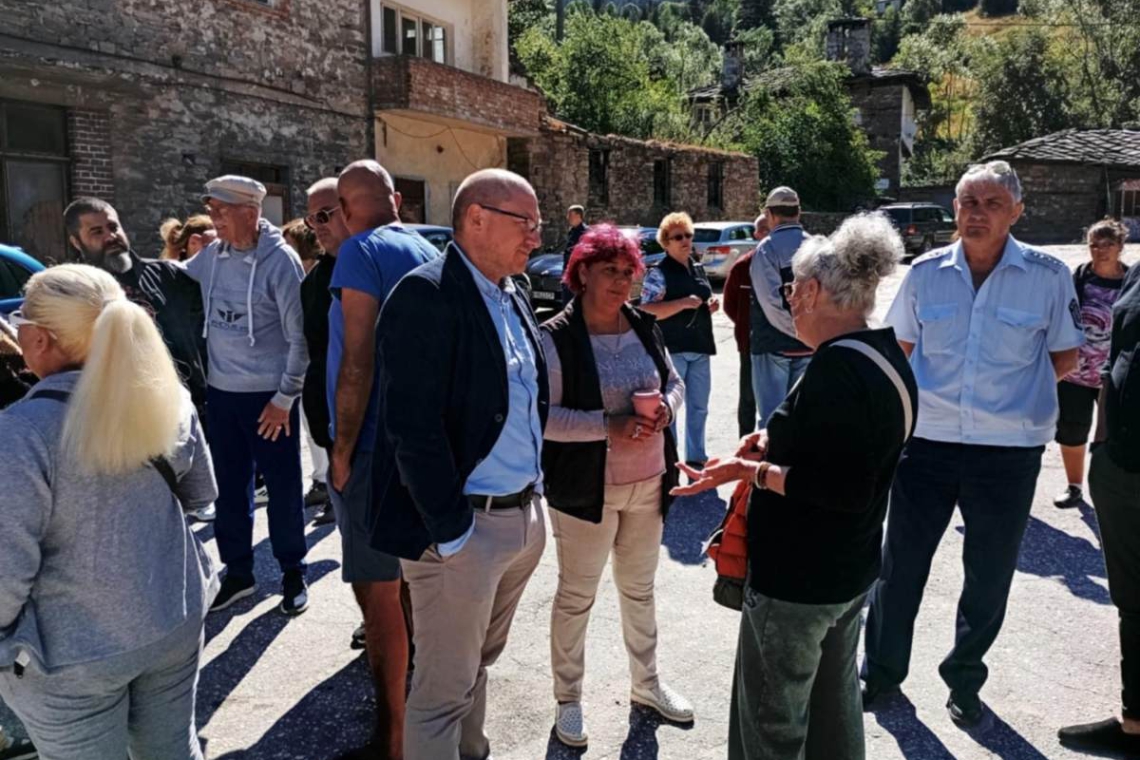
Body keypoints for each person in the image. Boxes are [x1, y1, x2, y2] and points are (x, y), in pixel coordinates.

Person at [673, 213, 916, 760]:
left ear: (810, 291)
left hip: (799, 581)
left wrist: (751, 472)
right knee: (835, 715)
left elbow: (842, 487)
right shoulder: (881, 353)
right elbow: (851, 446)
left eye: (790, 290)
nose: (787, 300)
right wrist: (771, 439)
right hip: (848, 573)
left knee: (772, 727)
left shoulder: (835, 370)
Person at [862, 161, 1084, 727]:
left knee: (988, 573)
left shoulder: (1048, 276)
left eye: (991, 203)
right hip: (927, 444)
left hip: (1007, 452)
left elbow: (1065, 355)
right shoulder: (926, 273)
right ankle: (881, 671)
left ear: (1016, 212)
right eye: (968, 203)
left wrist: (1011, 401)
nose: (977, 213)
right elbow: (900, 349)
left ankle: (964, 678)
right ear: (955, 210)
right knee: (899, 565)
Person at [0, 264, 218, 760]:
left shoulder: (21, 433)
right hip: (172, 616)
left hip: (69, 655)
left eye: (20, 320)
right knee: (174, 751)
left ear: (41, 339)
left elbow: (4, 573)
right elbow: (201, 494)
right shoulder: (169, 397)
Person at [375, 168, 547, 760]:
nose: (536, 237)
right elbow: (411, 427)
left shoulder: (511, 291)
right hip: (464, 530)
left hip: (519, 517)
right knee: (442, 692)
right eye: (526, 223)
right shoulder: (426, 295)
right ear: (476, 218)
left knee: (476, 667)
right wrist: (453, 534)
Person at [541, 225, 691, 748]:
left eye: (629, 272)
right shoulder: (556, 337)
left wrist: (667, 408)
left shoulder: (643, 325)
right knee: (576, 596)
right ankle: (568, 699)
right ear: (581, 273)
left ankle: (646, 684)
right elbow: (544, 418)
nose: (622, 282)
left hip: (649, 483)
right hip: (587, 490)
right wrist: (609, 426)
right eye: (610, 271)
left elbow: (675, 382)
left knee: (640, 590)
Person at [326, 159, 439, 759]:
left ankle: (393, 740)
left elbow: (357, 359)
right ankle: (427, 723)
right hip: (421, 446)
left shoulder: (358, 252)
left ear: (346, 210)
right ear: (396, 199)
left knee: (379, 596)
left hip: (372, 448)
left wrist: (341, 451)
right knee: (418, 588)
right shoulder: (429, 249)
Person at [183, 175, 311, 615]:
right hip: (223, 395)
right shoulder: (213, 255)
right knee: (229, 489)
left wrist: (284, 399)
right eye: (212, 209)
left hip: (269, 399)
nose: (213, 218)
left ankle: (293, 571)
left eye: (222, 210)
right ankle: (238, 573)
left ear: (251, 212)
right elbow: (176, 280)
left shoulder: (281, 262)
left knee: (283, 487)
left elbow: (300, 339)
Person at [1058, 245, 1140, 755]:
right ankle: (1136, 724)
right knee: (1134, 602)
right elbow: (1119, 357)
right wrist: (1103, 444)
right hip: (1123, 465)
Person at [64, 199, 209, 430]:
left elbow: (208, 330)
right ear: (76, 241)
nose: (111, 236)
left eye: (113, 227)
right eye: (97, 231)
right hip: (121, 419)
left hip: (186, 410)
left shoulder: (166, 275)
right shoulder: (71, 292)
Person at [1052, 218, 1130, 509]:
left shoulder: (1132, 281)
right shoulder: (1079, 278)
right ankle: (1074, 487)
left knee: (1118, 434)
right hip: (1075, 372)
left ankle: (1114, 492)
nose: (1100, 250)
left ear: (1120, 246)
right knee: (1071, 431)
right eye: (1094, 245)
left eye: (1108, 244)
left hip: (1117, 375)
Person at [638, 212, 719, 467]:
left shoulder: (698, 268)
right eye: (678, 237)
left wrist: (709, 306)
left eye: (688, 235)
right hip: (672, 350)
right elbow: (646, 310)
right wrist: (682, 303)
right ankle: (669, 459)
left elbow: (703, 299)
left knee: (699, 407)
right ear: (666, 242)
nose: (685, 241)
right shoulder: (658, 273)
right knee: (669, 409)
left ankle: (696, 458)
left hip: (700, 347)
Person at [299, 179, 350, 528]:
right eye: (311, 219)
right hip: (331, 427)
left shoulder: (373, 265)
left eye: (323, 215)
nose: (316, 226)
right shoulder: (313, 283)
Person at [283, 217, 334, 521]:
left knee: (324, 428)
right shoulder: (303, 279)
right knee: (311, 428)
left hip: (320, 367)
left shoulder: (319, 277)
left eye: (289, 245)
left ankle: (331, 489)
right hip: (305, 365)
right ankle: (321, 480)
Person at [749, 187, 813, 424]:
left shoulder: (767, 248)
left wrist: (798, 331)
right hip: (810, 348)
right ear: (799, 212)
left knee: (772, 422)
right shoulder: (818, 246)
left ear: (769, 214)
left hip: (773, 345)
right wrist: (811, 335)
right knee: (803, 419)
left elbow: (771, 304)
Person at [723, 214, 772, 437]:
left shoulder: (783, 262)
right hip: (750, 343)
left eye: (771, 229)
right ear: (756, 234)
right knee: (748, 397)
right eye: (764, 230)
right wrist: (745, 325)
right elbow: (729, 304)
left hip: (779, 343)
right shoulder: (742, 266)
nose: (769, 234)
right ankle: (745, 439)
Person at [562, 205, 589, 304]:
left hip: (577, 276)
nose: (568, 218)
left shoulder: (585, 233)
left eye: (570, 215)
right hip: (567, 273)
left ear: (578, 216)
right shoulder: (572, 231)